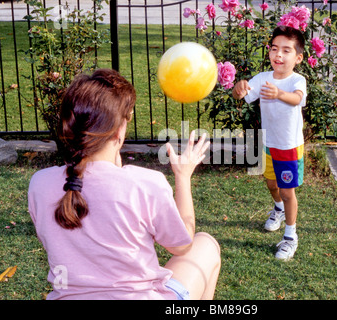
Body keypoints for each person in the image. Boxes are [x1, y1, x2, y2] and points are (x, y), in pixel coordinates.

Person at [28, 68, 221, 300]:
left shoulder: (39, 183)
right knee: (206, 245)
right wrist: (182, 176)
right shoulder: (145, 184)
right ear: (119, 130)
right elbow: (182, 245)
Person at [232, 26, 306, 261]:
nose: (279, 55)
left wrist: (278, 94)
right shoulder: (263, 78)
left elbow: (296, 98)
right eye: (275, 49)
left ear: (298, 57)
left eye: (286, 50)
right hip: (268, 143)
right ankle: (278, 210)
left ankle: (290, 237)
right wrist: (239, 88)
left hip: (289, 147)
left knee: (287, 191)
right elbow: (242, 95)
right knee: (271, 184)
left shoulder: (297, 80)